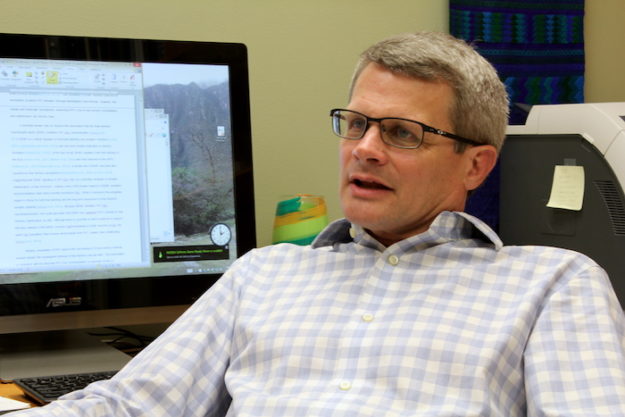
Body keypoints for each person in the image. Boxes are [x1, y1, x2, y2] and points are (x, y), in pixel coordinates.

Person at [9, 31, 625, 417]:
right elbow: (128, 404)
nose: (365, 149)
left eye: (402, 133)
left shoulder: (552, 284)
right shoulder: (263, 273)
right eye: (356, 124)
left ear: (477, 164)